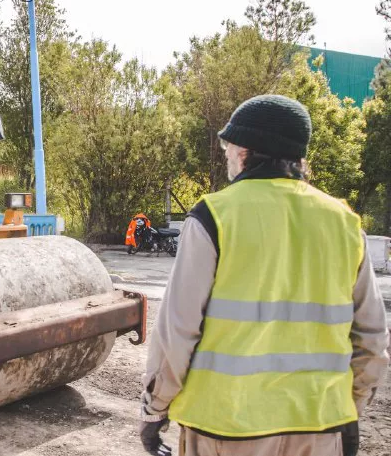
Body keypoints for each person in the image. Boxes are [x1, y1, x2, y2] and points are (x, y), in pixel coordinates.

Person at [139, 95, 389, 456]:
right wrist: (348, 409)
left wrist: (154, 409)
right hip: (320, 427)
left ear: (245, 150)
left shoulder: (214, 216)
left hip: (224, 427)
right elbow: (372, 338)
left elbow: (177, 332)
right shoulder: (344, 223)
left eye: (227, 146)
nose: (225, 154)